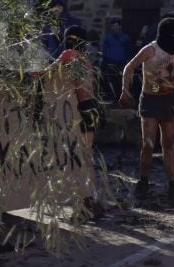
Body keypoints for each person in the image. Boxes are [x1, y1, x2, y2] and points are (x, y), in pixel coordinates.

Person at [120, 18, 174, 204]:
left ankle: (173, 185)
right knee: (148, 144)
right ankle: (143, 180)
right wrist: (125, 90)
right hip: (149, 100)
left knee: (168, 144)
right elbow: (129, 67)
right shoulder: (150, 50)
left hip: (167, 100)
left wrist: (170, 84)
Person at [54, 26, 106, 218]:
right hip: (92, 107)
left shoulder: (68, 54)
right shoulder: (86, 59)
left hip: (82, 109)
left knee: (79, 158)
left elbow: (48, 72)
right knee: (86, 156)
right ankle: (91, 200)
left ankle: (86, 203)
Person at [101, 17, 131, 99]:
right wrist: (105, 62)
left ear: (120, 27)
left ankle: (121, 97)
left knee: (121, 80)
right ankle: (112, 97)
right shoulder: (107, 38)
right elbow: (104, 50)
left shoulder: (125, 38)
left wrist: (128, 62)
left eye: (116, 26)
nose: (115, 28)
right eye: (113, 26)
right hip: (110, 63)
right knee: (111, 80)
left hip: (122, 63)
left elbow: (128, 50)